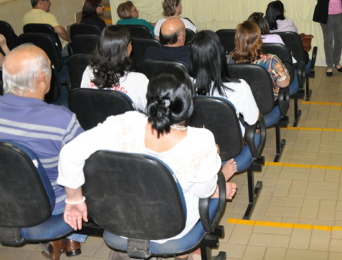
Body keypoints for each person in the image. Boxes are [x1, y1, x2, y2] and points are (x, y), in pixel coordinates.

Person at [57, 72, 238, 247]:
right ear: (188, 104)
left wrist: (74, 201)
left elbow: (69, 153)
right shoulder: (201, 140)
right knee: (204, 185)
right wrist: (212, 159)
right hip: (172, 229)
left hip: (120, 221)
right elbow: (203, 192)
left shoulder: (124, 123)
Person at [0, 45, 84, 259]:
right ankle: (69, 239)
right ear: (42, 77)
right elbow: (87, 165)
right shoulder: (62, 121)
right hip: (50, 209)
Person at [189, 30, 259, 138]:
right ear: (220, 56)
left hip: (197, 143)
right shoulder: (239, 87)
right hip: (231, 147)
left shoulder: (183, 85)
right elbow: (252, 120)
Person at [80, 25, 149, 112]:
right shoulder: (139, 80)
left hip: (97, 123)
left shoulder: (89, 70)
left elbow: (85, 100)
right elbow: (150, 111)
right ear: (127, 48)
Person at [230, 21, 290, 101]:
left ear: (237, 40)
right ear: (258, 39)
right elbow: (284, 84)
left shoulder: (227, 60)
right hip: (265, 106)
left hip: (238, 106)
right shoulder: (271, 61)